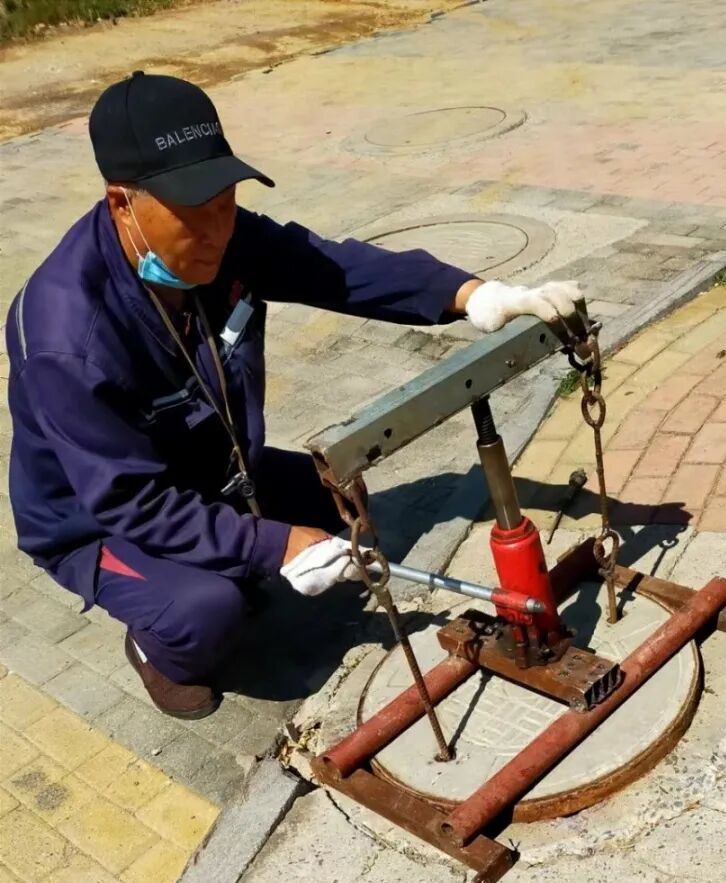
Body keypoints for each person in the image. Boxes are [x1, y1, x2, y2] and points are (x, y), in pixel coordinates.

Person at [5, 72, 583, 721]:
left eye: (226, 200)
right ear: (121, 203)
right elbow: (130, 501)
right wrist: (274, 546)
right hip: (99, 519)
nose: (217, 231)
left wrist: (473, 294)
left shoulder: (222, 240)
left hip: (211, 470)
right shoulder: (65, 340)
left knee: (340, 499)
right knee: (208, 611)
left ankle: (224, 555)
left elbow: (332, 267)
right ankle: (156, 647)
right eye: (193, 213)